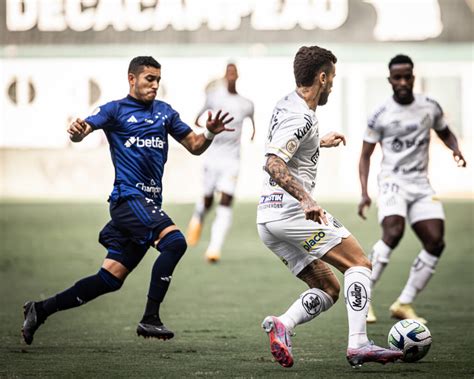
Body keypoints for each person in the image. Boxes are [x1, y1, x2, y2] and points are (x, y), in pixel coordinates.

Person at [21, 56, 233, 345]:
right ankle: (150, 319)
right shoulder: (115, 110)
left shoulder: (165, 113)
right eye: (149, 79)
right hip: (127, 199)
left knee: (110, 278)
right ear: (132, 79)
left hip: (148, 204)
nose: (155, 85)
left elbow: (195, 146)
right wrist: (77, 131)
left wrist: (209, 132)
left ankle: (40, 309)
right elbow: (84, 129)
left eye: (158, 79)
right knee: (175, 242)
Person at [256, 45, 402, 368]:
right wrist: (306, 199)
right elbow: (272, 163)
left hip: (267, 220)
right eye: (332, 77)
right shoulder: (302, 117)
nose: (333, 84)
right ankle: (359, 344)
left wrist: (319, 141)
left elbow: (286, 143)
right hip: (291, 213)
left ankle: (283, 324)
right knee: (360, 264)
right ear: (322, 77)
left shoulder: (287, 104)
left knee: (329, 288)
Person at [358, 54, 466, 324]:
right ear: (390, 80)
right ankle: (363, 299)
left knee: (435, 241)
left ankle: (404, 302)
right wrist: (364, 192)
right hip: (393, 181)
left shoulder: (429, 106)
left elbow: (445, 131)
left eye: (408, 76)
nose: (403, 81)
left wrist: (455, 149)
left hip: (420, 183)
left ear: (413, 77)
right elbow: (365, 156)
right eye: (398, 77)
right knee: (393, 232)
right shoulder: (380, 114)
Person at [186, 63, 255, 263]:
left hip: (232, 159)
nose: (232, 76)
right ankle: (197, 217)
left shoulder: (246, 103)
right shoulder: (214, 96)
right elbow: (197, 119)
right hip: (212, 155)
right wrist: (211, 129)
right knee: (208, 199)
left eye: (235, 72)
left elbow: (252, 125)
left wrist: (251, 135)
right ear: (225, 75)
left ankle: (214, 248)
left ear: (238, 76)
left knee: (226, 200)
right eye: (229, 72)